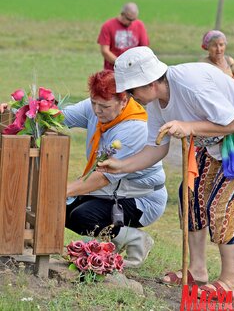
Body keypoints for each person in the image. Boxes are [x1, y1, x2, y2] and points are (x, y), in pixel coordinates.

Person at [96, 46, 234, 294]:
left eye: (131, 89)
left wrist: (188, 126)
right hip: (214, 140)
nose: (129, 95)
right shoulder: (154, 102)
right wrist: (121, 166)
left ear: (149, 82)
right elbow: (156, 149)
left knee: (222, 205)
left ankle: (228, 282)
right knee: (190, 196)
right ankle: (198, 270)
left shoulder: (190, 85)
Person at [0, 70, 168, 268]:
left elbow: (102, 178)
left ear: (124, 101)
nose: (97, 110)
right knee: (60, 209)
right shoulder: (94, 108)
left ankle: (135, 239)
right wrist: (17, 111)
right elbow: (58, 118)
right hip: (111, 190)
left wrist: (61, 192)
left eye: (104, 106)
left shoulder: (135, 127)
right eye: (94, 103)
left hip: (141, 198)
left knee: (82, 216)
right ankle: (115, 241)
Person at [97, 2, 149, 71]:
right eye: (129, 19)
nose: (131, 22)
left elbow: (144, 49)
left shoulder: (139, 25)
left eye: (134, 20)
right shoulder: (108, 26)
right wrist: (121, 64)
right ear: (122, 14)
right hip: (113, 71)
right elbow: (105, 51)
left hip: (134, 70)